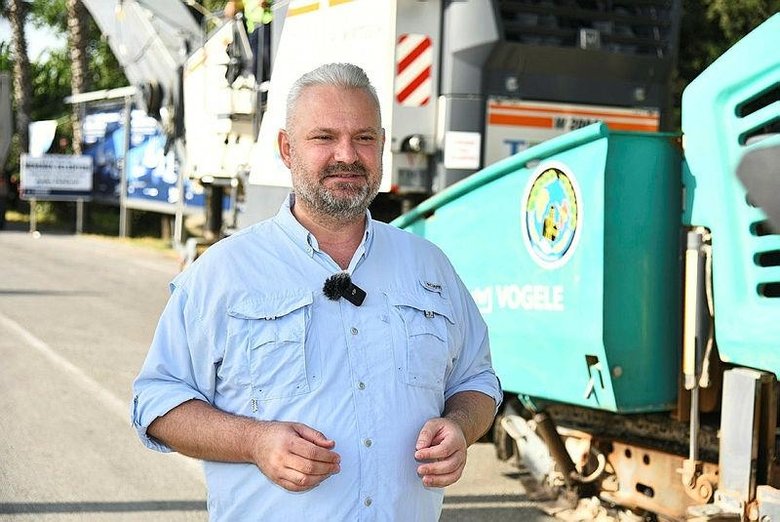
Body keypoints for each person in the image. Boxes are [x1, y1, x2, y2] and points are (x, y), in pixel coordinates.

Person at [131, 62, 501, 521]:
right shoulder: (223, 273)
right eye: (324, 137)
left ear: (382, 146)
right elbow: (157, 402)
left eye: (364, 138)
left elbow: (476, 380)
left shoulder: (429, 267)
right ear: (287, 149)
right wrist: (255, 442)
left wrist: (461, 426)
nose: (347, 155)